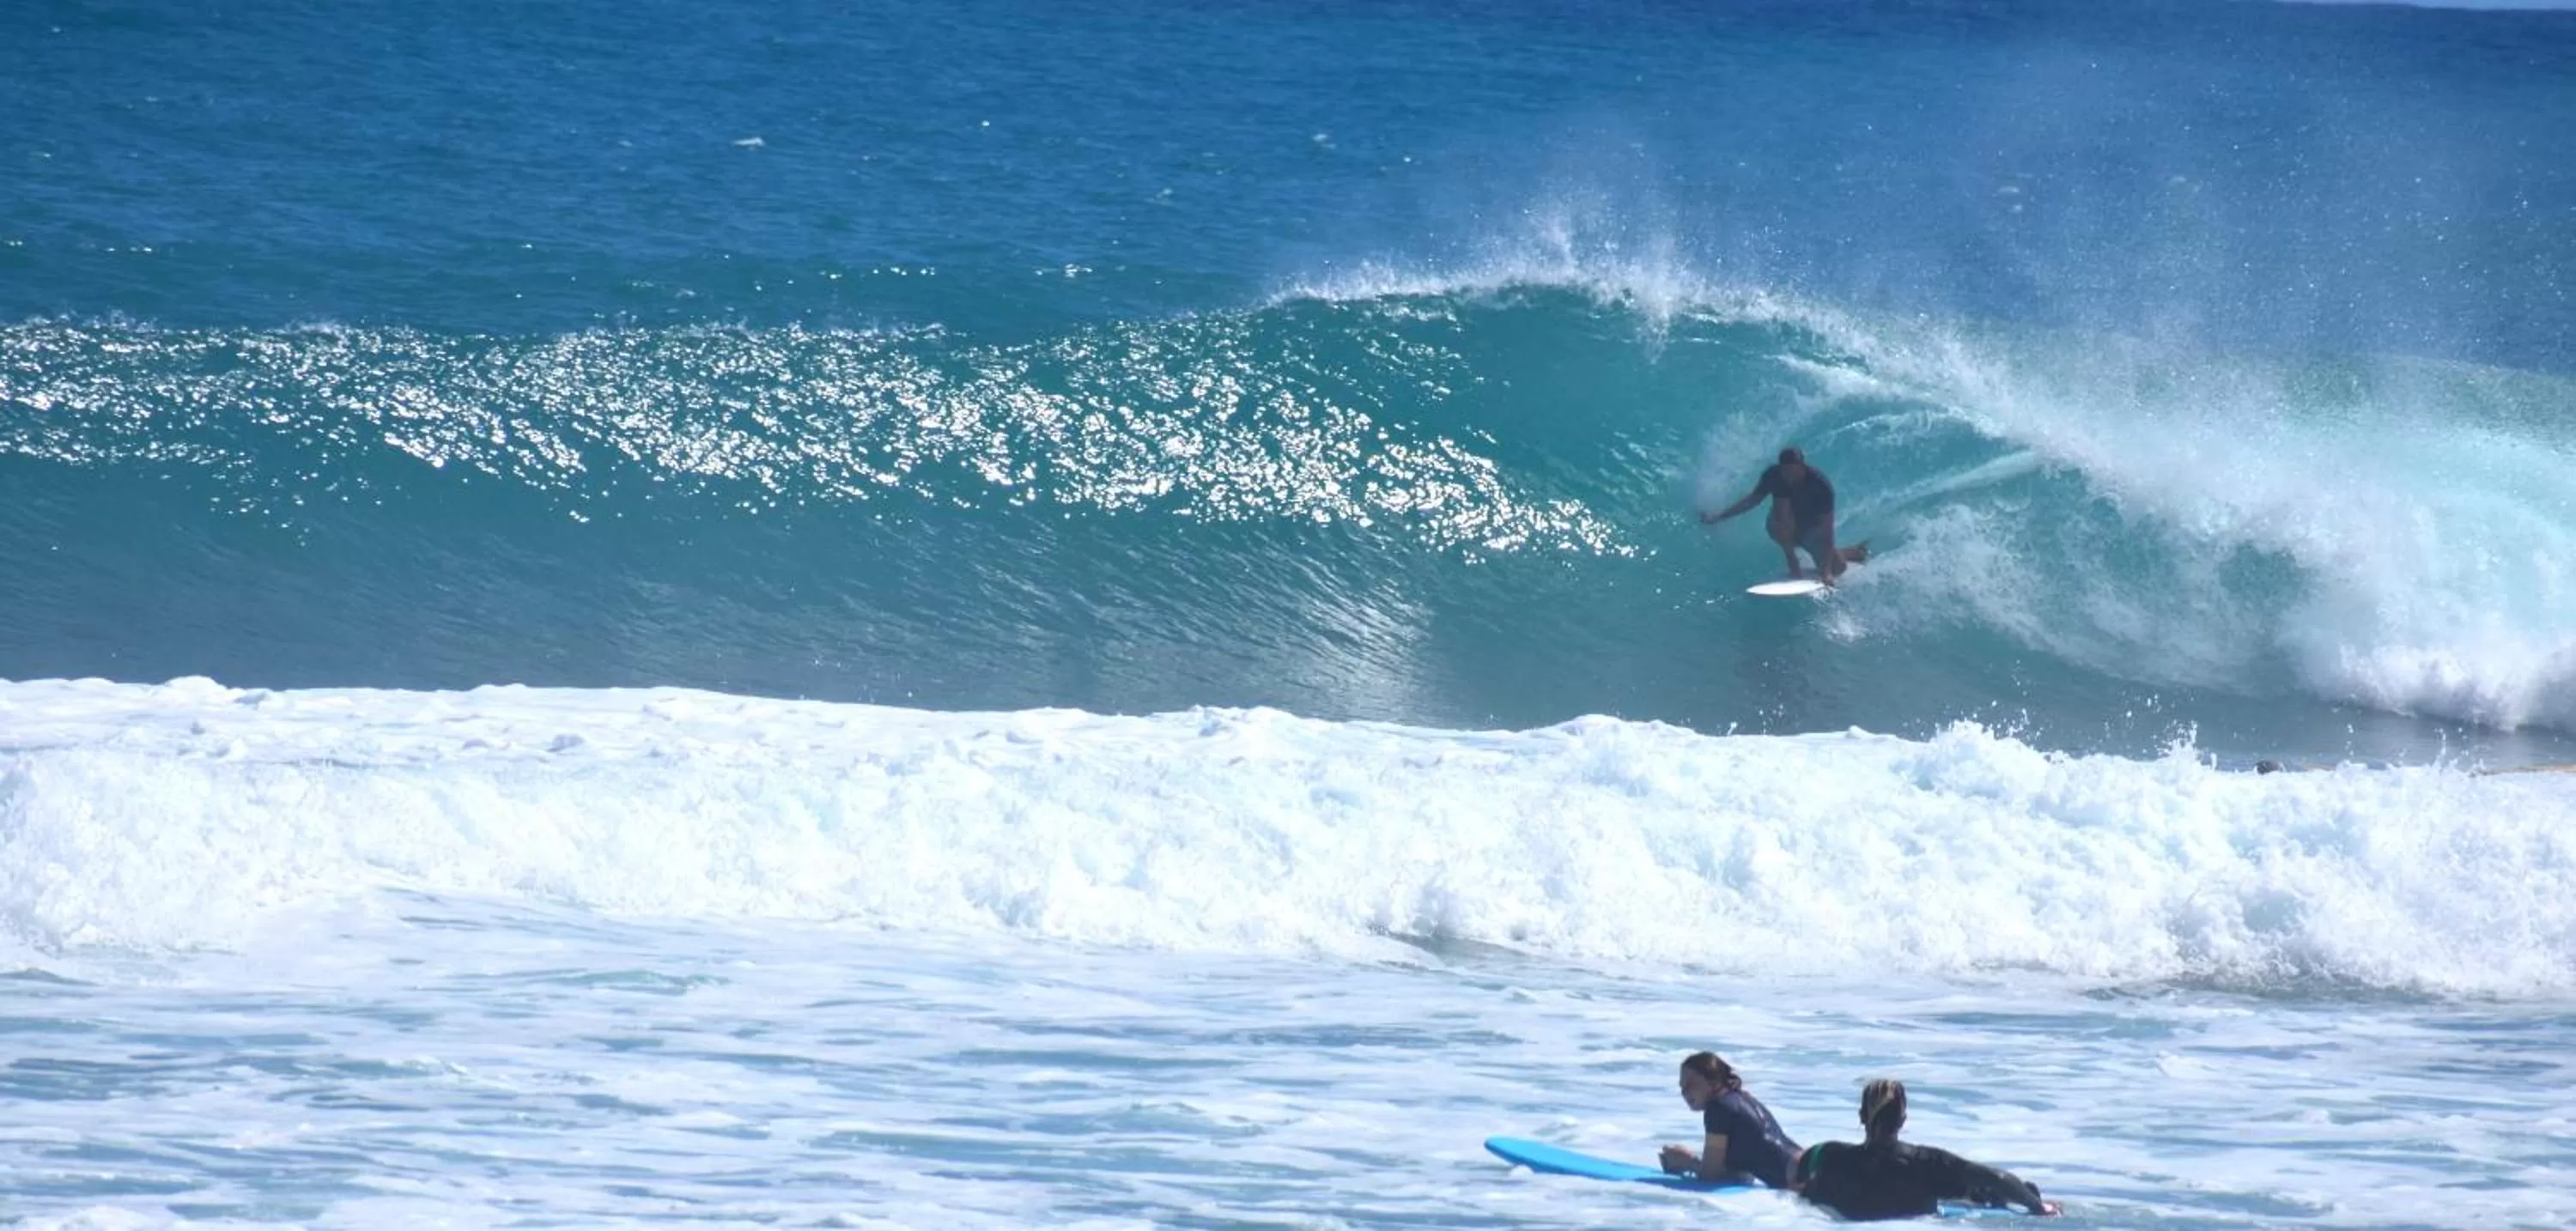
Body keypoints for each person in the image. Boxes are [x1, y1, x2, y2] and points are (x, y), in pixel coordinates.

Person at [1791, 1079, 2061, 1220]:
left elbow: (1802, 1167)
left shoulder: (1828, 1155)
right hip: (1917, 1217)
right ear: (1903, 1121)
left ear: (1862, 1116)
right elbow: (1995, 1177)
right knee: (1979, 1189)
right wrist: (2038, 1207)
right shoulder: (1925, 1162)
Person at [1702, 446, 1867, 585]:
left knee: (1838, 568)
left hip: (1811, 529)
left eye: (1794, 470)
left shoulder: (1820, 485)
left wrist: (1825, 572)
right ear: (1781, 468)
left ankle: (1849, 552)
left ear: (1803, 466)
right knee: (1782, 503)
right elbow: (1752, 501)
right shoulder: (1774, 476)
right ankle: (1801, 552)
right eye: (1786, 470)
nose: (1790, 475)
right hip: (1779, 526)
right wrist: (1718, 517)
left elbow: (1826, 528)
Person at [1656, 1052, 1801, 1188]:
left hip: (1800, 1181)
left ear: (1713, 1082)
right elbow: (1746, 1171)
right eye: (1682, 1087)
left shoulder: (1718, 1108)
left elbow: (1710, 1176)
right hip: (1809, 1165)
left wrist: (1686, 1162)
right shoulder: (1742, 1099)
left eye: (1691, 1084)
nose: (1684, 1092)